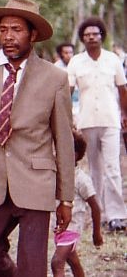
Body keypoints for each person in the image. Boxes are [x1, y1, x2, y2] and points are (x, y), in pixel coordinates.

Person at [0, 0, 75, 277]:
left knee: (33, 267)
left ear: (32, 34)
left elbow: (64, 141)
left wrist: (65, 199)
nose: (8, 36)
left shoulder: (54, 78)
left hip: (36, 181)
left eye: (16, 29)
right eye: (4, 29)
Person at [66, 17, 127, 232]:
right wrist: (66, 119)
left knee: (113, 167)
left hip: (111, 121)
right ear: (83, 38)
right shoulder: (75, 62)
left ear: (102, 36)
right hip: (87, 121)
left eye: (96, 34)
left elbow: (122, 89)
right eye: (87, 34)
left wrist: (124, 114)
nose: (92, 37)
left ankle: (117, 215)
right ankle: (99, 213)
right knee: (95, 169)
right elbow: (68, 91)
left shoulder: (113, 60)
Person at [51, 130, 103, 277]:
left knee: (57, 262)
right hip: (59, 230)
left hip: (71, 229)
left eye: (68, 151)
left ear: (78, 154)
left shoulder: (81, 179)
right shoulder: (55, 174)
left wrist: (96, 233)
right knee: (73, 262)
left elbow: (95, 207)